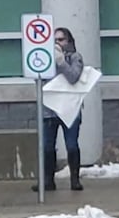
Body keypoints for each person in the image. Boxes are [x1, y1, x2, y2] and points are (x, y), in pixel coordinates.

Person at [32, 27, 84, 192]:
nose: (57, 43)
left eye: (61, 39)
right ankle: (48, 180)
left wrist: (61, 62)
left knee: (71, 145)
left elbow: (74, 77)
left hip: (70, 109)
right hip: (49, 110)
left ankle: (75, 179)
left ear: (68, 41)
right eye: (54, 40)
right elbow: (39, 79)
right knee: (47, 146)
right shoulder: (46, 57)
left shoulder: (75, 57)